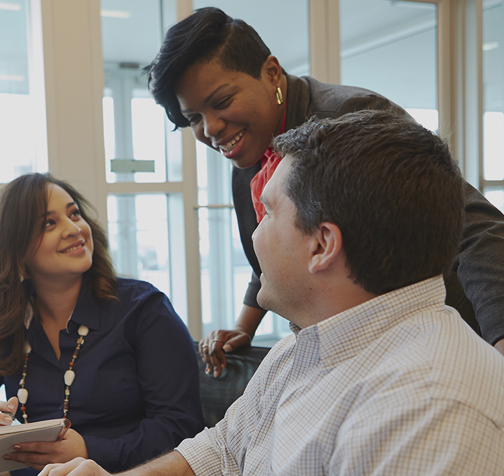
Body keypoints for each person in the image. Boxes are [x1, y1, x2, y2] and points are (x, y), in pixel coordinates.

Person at [38, 110, 504, 476]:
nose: (255, 236)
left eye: (267, 214)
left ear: (321, 245)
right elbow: (221, 452)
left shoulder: (428, 411)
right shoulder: (304, 348)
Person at [144, 7, 504, 375]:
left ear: (271, 73)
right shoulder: (250, 148)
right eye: (193, 118)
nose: (211, 128)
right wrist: (244, 327)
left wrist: (499, 342)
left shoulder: (349, 118)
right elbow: (281, 243)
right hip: (357, 350)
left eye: (221, 102)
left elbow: (475, 224)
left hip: (446, 336)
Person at [0, 173, 205, 475]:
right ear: (15, 251)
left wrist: (88, 449)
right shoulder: (8, 323)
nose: (74, 229)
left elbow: (181, 427)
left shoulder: (144, 308)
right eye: (49, 223)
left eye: (74, 214)